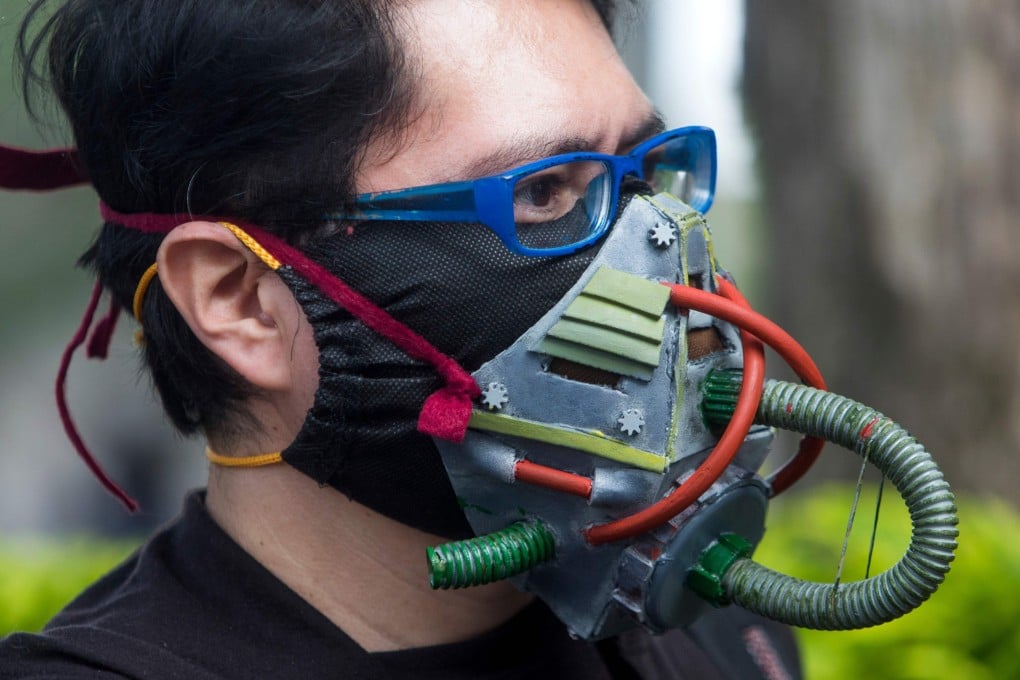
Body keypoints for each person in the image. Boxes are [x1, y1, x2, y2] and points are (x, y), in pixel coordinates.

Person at [0, 1, 802, 678]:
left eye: (644, 173)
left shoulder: (718, 637)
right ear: (240, 302)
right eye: (543, 192)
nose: (662, 256)